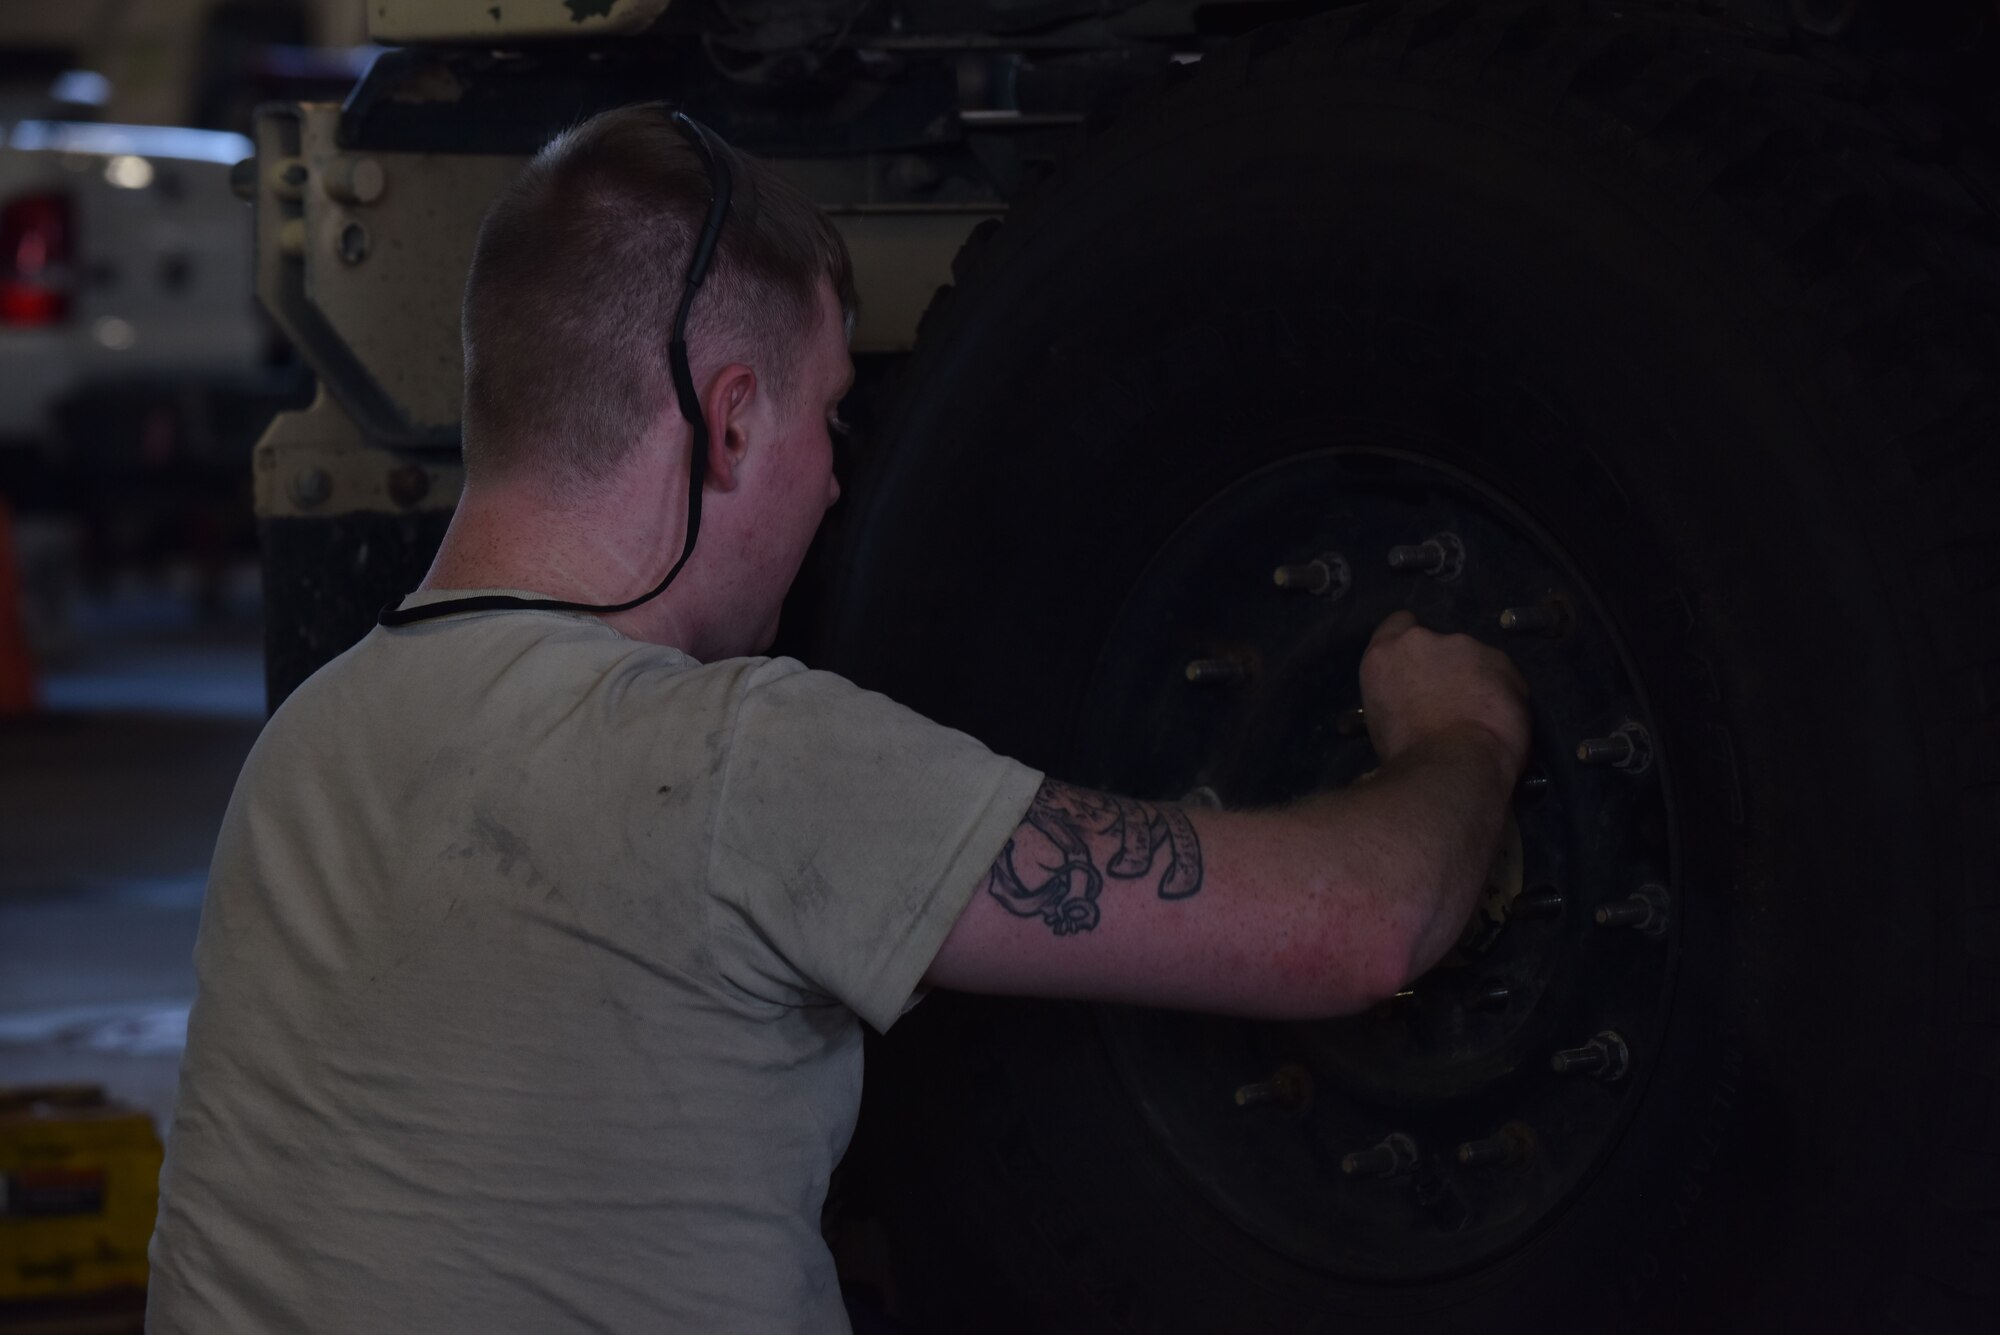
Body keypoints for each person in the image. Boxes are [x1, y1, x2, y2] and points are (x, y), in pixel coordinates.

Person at [146, 105, 1530, 1333]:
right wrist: (1461, 733)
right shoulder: (738, 761)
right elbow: (1361, 926)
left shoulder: (302, 750)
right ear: (731, 424)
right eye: (832, 421)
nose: (830, 488)